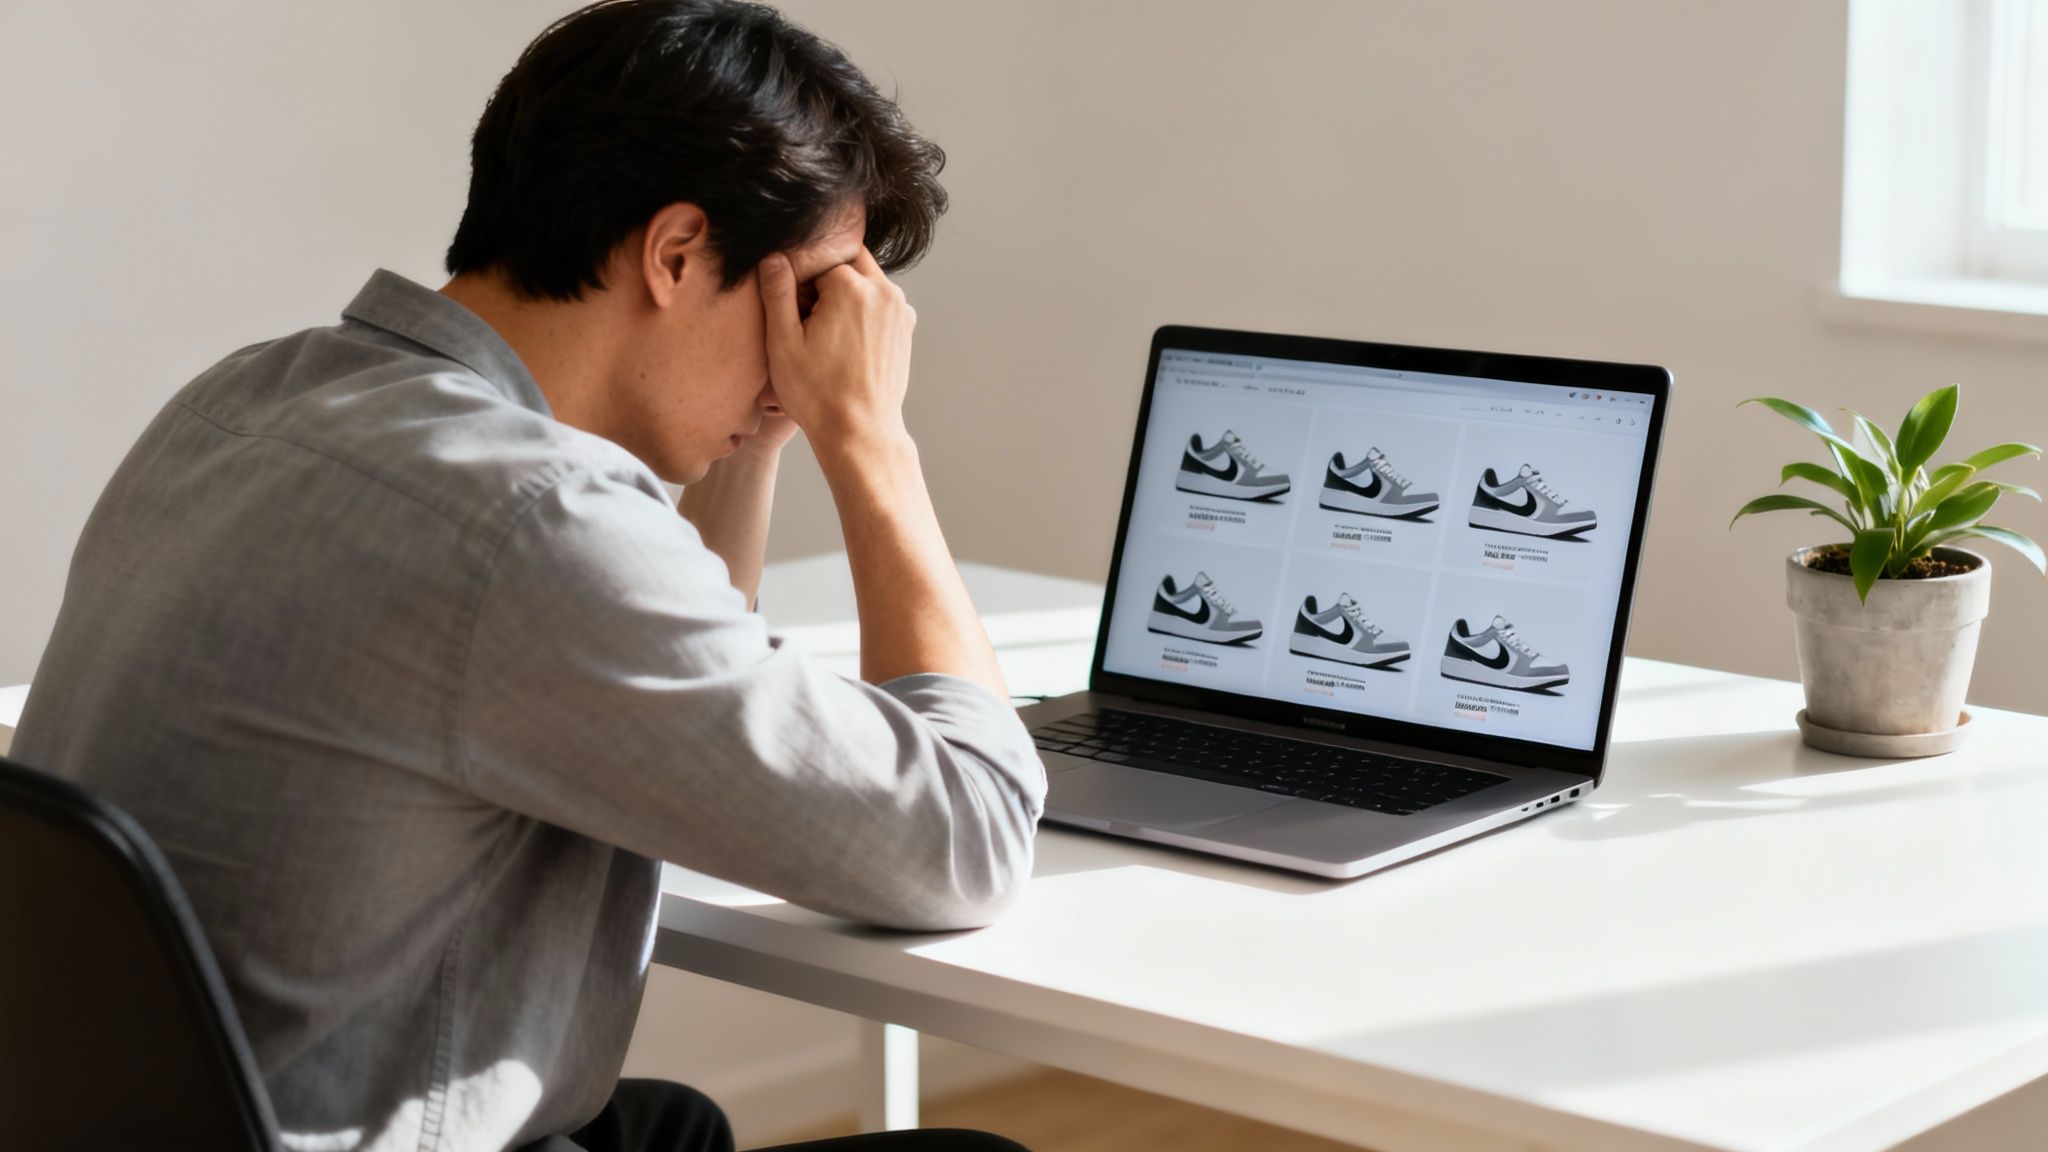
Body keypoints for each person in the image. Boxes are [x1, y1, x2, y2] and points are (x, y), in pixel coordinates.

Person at [10, 2, 1042, 1150]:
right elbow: (967, 836)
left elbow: (682, 690)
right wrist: (871, 441)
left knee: (671, 1128)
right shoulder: (529, 521)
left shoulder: (243, 399)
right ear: (676, 253)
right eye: (805, 302)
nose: (812, 360)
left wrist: (762, 422)